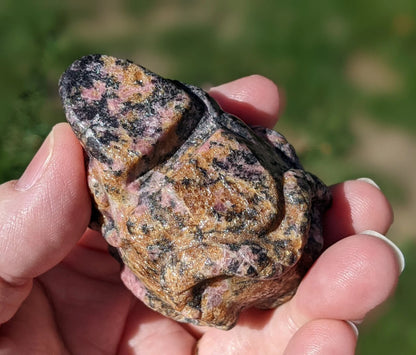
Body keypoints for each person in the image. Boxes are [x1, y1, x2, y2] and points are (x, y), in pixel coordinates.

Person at [0, 75, 404, 354]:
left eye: (187, 125)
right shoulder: (118, 203)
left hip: (281, 233)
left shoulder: (217, 128)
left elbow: (274, 152)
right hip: (199, 281)